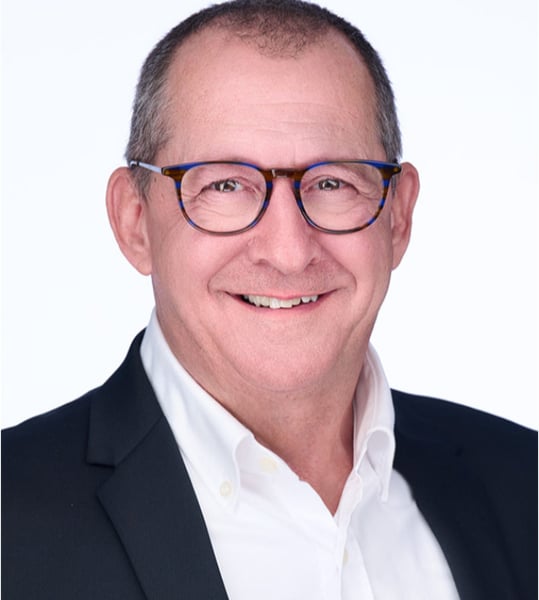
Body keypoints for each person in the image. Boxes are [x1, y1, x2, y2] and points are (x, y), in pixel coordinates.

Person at [2, 1, 536, 598]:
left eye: (332, 182)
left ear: (398, 217)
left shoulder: (524, 484)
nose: (288, 252)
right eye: (226, 184)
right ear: (135, 221)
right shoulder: (9, 522)